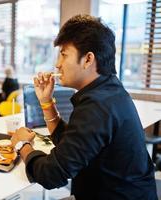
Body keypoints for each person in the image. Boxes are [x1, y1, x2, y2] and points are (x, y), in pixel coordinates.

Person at [11, 15, 157, 200]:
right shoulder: (109, 91)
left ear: (88, 59)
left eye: (64, 54)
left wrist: (22, 144)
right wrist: (46, 102)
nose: (57, 64)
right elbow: (72, 145)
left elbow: (51, 175)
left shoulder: (97, 106)